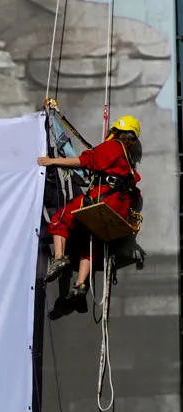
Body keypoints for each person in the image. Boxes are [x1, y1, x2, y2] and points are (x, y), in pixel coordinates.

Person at [39, 114, 142, 317]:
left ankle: (59, 258)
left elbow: (85, 161)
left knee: (60, 217)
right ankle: (80, 285)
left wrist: (51, 161)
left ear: (116, 132)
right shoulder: (129, 161)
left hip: (102, 199)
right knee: (88, 239)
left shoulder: (113, 148)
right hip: (117, 208)